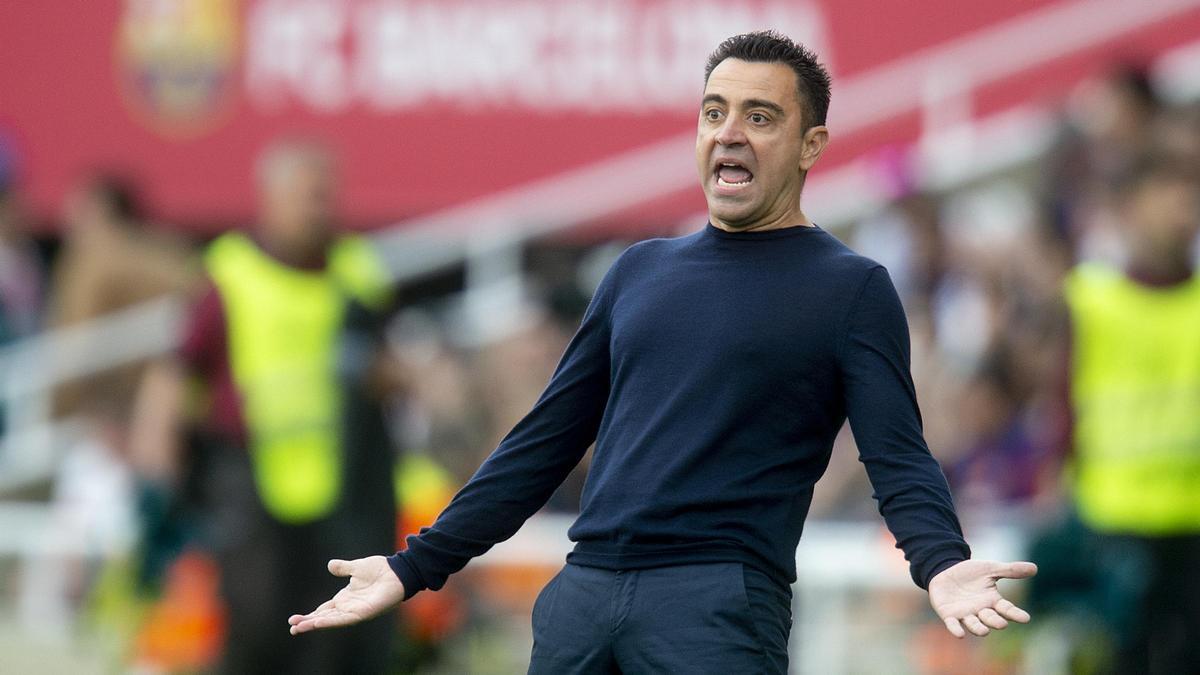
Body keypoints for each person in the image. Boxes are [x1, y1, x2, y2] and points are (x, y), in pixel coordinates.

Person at [289, 31, 1037, 673]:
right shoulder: (637, 270)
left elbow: (897, 455)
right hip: (582, 595)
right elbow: (542, 443)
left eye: (759, 116)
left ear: (811, 145)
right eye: (714, 112)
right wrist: (415, 565)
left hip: (715, 607)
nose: (729, 132)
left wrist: (940, 563)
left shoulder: (851, 288)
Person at [132, 139, 399, 674]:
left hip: (345, 477)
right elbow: (177, 367)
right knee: (256, 621)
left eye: (326, 196)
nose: (319, 210)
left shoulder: (358, 268)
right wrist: (156, 451)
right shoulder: (229, 271)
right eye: (307, 197)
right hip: (248, 472)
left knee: (336, 628)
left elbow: (388, 358)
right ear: (269, 198)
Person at [1048, 152, 1200, 672]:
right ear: (1128, 209)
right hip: (1113, 520)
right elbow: (1063, 406)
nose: (1182, 212)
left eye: (1189, 198)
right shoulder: (1090, 299)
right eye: (1168, 198)